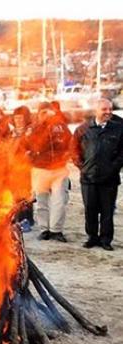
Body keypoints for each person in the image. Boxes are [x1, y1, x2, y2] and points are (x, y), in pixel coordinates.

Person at [71, 98, 123, 251]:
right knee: (90, 209)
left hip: (110, 178)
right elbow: (73, 150)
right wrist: (83, 167)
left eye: (110, 109)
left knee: (107, 211)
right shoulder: (83, 129)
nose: (108, 112)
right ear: (96, 111)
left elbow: (122, 152)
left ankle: (106, 239)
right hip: (88, 178)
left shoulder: (118, 128)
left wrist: (113, 167)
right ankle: (92, 237)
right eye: (104, 109)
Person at [24, 102, 72, 242]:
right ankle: (44, 229)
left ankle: (56, 230)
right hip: (40, 169)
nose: (46, 115)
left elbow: (71, 142)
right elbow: (25, 144)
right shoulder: (33, 128)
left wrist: (67, 155)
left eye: (48, 112)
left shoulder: (61, 127)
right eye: (43, 112)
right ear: (38, 113)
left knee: (59, 200)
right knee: (41, 201)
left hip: (59, 169)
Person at [9, 106, 34, 232]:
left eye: (20, 118)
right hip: (14, 169)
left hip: (26, 169)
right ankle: (18, 219)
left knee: (26, 197)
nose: (18, 120)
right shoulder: (11, 133)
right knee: (15, 197)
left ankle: (28, 221)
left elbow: (34, 148)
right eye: (16, 118)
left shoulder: (30, 132)